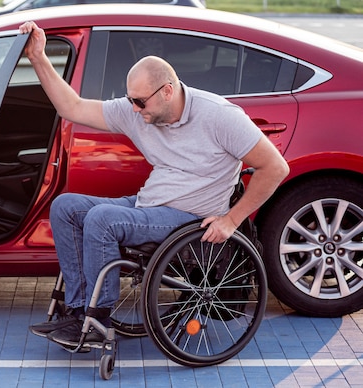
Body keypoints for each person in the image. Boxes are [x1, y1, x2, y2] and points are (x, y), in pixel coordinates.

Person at [19, 21, 290, 350]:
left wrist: (231, 220)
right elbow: (72, 107)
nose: (134, 109)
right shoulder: (139, 110)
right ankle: (78, 312)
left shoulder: (219, 116)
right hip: (148, 206)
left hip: (188, 216)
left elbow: (275, 167)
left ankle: (97, 318)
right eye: (130, 100)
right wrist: (38, 57)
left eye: (140, 102)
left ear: (167, 91)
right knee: (66, 207)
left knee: (102, 219)